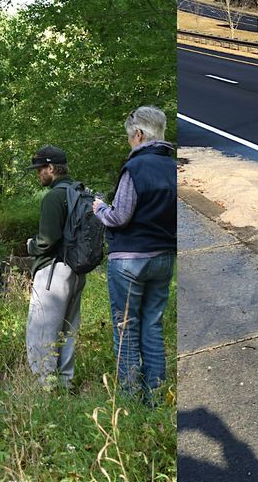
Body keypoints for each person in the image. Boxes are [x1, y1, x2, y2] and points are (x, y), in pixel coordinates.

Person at [93, 107, 176, 402]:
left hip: (130, 259)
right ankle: (155, 396)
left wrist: (100, 208)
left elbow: (120, 217)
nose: (130, 142)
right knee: (153, 325)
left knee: (126, 327)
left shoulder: (135, 168)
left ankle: (129, 400)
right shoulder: (173, 167)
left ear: (139, 135)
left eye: (130, 137)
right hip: (164, 256)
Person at [25, 145, 86, 388]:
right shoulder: (81, 191)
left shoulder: (54, 196)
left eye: (40, 169)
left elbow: (47, 240)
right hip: (77, 269)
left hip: (53, 270)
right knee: (67, 330)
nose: (38, 174)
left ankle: (45, 386)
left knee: (42, 332)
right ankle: (65, 382)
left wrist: (31, 245)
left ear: (51, 168)